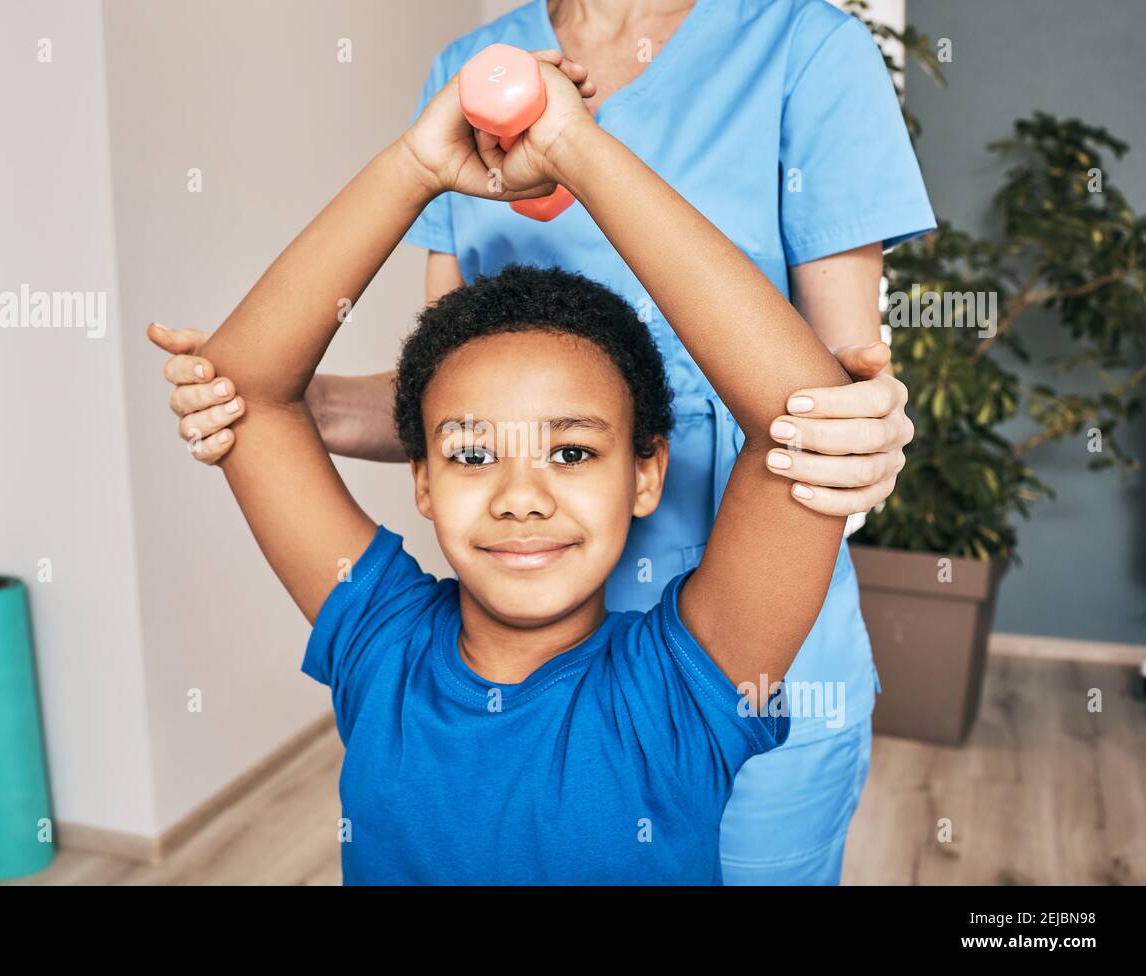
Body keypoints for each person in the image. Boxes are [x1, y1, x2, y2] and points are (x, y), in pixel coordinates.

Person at [149, 0, 935, 884]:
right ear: (425, 473)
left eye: (571, 451)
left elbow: (809, 421)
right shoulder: (387, 654)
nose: (520, 493)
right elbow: (381, 385)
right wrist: (415, 165)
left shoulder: (679, 699)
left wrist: (581, 153)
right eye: (475, 454)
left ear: (647, 471)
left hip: (758, 635)